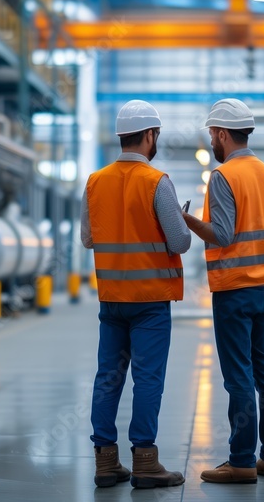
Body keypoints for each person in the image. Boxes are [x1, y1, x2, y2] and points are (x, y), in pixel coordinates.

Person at [81, 100, 189, 489]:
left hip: (111, 300)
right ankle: (144, 462)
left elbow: (88, 238)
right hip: (149, 303)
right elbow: (180, 240)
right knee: (147, 379)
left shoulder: (95, 182)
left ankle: (105, 462)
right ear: (150, 136)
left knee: (108, 378)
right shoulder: (157, 182)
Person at [181, 98, 264, 484]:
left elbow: (222, 234)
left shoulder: (224, 177)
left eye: (212, 134)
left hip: (233, 290)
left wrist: (187, 220)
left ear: (223, 134)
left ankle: (242, 460)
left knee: (238, 375)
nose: (212, 141)